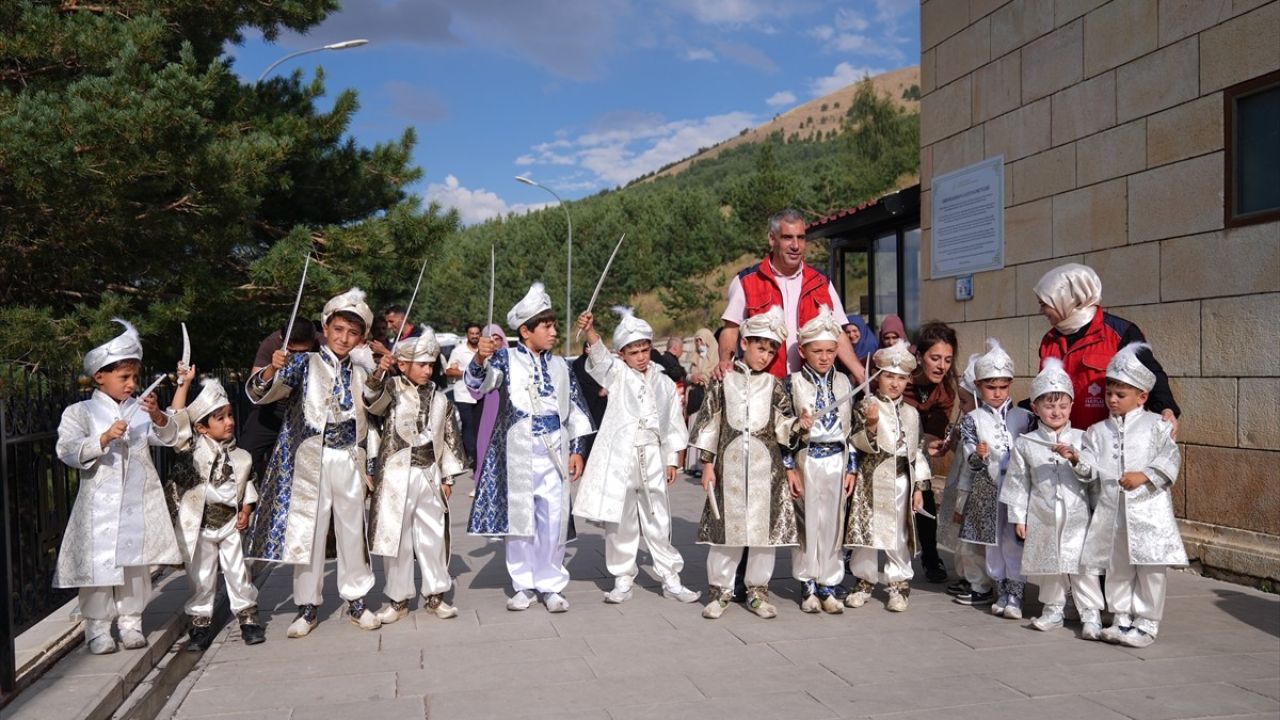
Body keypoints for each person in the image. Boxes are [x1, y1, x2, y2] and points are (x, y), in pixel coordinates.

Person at [244, 288, 382, 637]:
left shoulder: (362, 372)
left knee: (352, 529)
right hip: (311, 460)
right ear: (326, 327)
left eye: (353, 333)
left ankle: (357, 599)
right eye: (338, 330)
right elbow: (262, 394)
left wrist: (381, 380)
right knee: (310, 530)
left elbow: (377, 410)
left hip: (349, 456)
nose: (344, 338)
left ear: (361, 338)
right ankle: (307, 606)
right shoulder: (303, 364)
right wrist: (269, 371)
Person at [54, 319, 182, 655]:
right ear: (100, 377)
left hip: (136, 503)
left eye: (134, 378)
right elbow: (66, 450)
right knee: (97, 567)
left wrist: (158, 417)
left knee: (134, 565)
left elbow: (170, 439)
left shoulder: (140, 411)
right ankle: (97, 628)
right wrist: (103, 438)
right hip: (98, 506)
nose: (131, 384)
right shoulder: (79, 412)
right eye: (124, 377)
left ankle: (131, 622)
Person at [466, 282, 594, 613]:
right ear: (526, 331)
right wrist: (480, 358)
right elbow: (478, 384)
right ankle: (522, 584)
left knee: (553, 520)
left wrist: (578, 449)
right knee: (520, 521)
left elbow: (576, 409)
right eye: (546, 326)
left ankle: (551, 585)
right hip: (518, 452)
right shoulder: (505, 360)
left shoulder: (561, 366)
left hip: (555, 450)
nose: (553, 332)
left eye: (553, 325)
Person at [572, 309, 698, 604]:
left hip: (652, 453)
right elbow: (600, 358)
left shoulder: (665, 382)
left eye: (645, 350)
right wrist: (590, 331)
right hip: (622, 457)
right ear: (622, 353)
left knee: (658, 517)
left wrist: (672, 459)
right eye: (634, 352)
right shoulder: (617, 375)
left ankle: (670, 577)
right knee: (622, 518)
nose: (641, 357)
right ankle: (623, 576)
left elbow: (672, 423)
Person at [691, 307, 808, 620]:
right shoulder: (723, 382)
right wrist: (706, 464)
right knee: (726, 533)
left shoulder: (774, 385)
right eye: (760, 348)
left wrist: (801, 424)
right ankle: (720, 592)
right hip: (728, 471)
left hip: (765, 474)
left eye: (771, 351)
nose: (765, 356)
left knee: (762, 536)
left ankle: (757, 592)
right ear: (744, 343)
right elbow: (709, 424)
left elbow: (784, 427)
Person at [1065, 343, 1185, 648]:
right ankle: (1121, 616)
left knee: (1150, 567)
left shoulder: (1157, 426)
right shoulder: (1097, 431)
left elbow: (1171, 458)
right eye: (1109, 394)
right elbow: (1091, 469)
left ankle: (1147, 623)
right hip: (1112, 511)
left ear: (1142, 397)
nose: (1112, 400)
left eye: (1121, 395)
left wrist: (1143, 475)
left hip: (1148, 511)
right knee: (1117, 564)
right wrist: (1078, 460)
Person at [364, 331, 467, 624]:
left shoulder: (440, 399)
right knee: (396, 537)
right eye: (421, 364)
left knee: (432, 536)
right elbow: (371, 401)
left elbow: (450, 440)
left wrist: (448, 478)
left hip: (429, 474)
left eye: (431, 365)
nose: (427, 370)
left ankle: (436, 594)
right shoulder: (391, 389)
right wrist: (380, 371)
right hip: (396, 475)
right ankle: (398, 598)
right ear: (403, 364)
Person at [999, 358, 1103, 635]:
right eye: (1048, 405)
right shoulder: (1027, 443)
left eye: (1062, 405)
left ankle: (1090, 613)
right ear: (1035, 407)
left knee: (1082, 565)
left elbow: (1094, 476)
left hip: (1077, 514)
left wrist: (1076, 459)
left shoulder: (1084, 438)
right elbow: (1019, 482)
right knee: (1049, 564)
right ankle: (1054, 609)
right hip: (1042, 512)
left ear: (1072, 405)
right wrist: (1018, 517)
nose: (1056, 411)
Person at [167, 374, 264, 650]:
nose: (230, 422)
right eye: (220, 418)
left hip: (231, 523)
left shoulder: (241, 457)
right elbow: (175, 422)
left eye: (230, 415)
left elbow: (248, 486)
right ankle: (200, 623)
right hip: (200, 525)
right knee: (201, 575)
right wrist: (183, 384)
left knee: (238, 571)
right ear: (202, 427)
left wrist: (246, 509)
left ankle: (248, 618)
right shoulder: (191, 451)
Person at [716, 209, 865, 383]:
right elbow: (730, 330)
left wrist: (860, 373)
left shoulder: (822, 282)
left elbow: (838, 333)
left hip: (812, 388)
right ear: (772, 239)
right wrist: (725, 361)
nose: (795, 245)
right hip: (763, 387)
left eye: (801, 238)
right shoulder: (746, 281)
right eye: (788, 237)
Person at [1034, 263, 1180, 433]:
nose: (1041, 311)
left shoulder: (1121, 333)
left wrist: (1166, 408)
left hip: (1108, 442)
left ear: (1068, 299)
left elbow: (1150, 374)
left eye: (1044, 304)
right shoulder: (1050, 340)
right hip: (1063, 442)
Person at [843, 340, 932, 613]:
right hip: (870, 481)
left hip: (901, 480)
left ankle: (898, 583)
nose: (894, 383)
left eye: (901, 378)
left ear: (908, 381)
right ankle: (864, 580)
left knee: (898, 533)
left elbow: (917, 450)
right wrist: (870, 424)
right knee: (866, 532)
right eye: (889, 376)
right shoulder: (865, 405)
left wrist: (919, 487)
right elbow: (854, 442)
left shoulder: (912, 413)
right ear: (877, 377)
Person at [952, 339, 1036, 617]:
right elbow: (970, 460)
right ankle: (1000, 591)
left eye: (1003, 387)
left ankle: (1016, 595)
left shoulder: (1024, 417)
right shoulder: (972, 419)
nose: (998, 393)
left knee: (1014, 541)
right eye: (991, 387)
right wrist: (979, 454)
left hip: (1016, 490)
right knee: (992, 542)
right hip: (987, 490)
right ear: (978, 387)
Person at [784, 307, 857, 614]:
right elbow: (781, 428)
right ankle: (807, 583)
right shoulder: (793, 382)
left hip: (837, 459)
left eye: (830, 351)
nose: (825, 357)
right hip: (808, 460)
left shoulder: (844, 382)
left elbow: (851, 428)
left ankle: (829, 582)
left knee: (833, 522)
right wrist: (789, 467)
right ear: (803, 351)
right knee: (808, 521)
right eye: (817, 351)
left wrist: (852, 466)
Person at [904, 322, 958, 582]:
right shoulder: (901, 380)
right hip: (888, 446)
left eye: (948, 360)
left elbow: (933, 433)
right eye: (935, 358)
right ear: (919, 356)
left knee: (924, 492)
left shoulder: (946, 390)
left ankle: (930, 554)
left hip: (919, 450)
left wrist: (935, 443)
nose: (942, 366)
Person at [242, 322, 319, 484]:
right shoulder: (270, 344)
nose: (298, 356)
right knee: (245, 456)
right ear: (282, 339)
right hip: (272, 408)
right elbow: (255, 389)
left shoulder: (323, 344)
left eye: (304, 351)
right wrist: (272, 368)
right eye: (292, 351)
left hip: (307, 412)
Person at [939, 354, 979, 597]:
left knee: (970, 539)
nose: (961, 407)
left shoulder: (981, 424)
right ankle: (966, 575)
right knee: (960, 536)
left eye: (964, 402)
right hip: (960, 483)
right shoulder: (966, 421)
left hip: (972, 488)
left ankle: (975, 579)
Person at [471, 324, 508, 496]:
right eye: (490, 338)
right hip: (489, 411)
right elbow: (473, 385)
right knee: (486, 447)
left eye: (497, 338)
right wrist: (481, 359)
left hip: (510, 413)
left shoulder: (514, 359)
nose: (494, 341)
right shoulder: (482, 362)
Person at [445, 323, 482, 466]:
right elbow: (448, 371)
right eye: (471, 333)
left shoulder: (483, 351)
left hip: (481, 394)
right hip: (464, 395)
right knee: (468, 424)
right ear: (467, 334)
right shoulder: (459, 351)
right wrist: (466, 373)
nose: (474, 336)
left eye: (477, 333)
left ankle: (479, 453)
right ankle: (470, 455)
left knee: (479, 425)